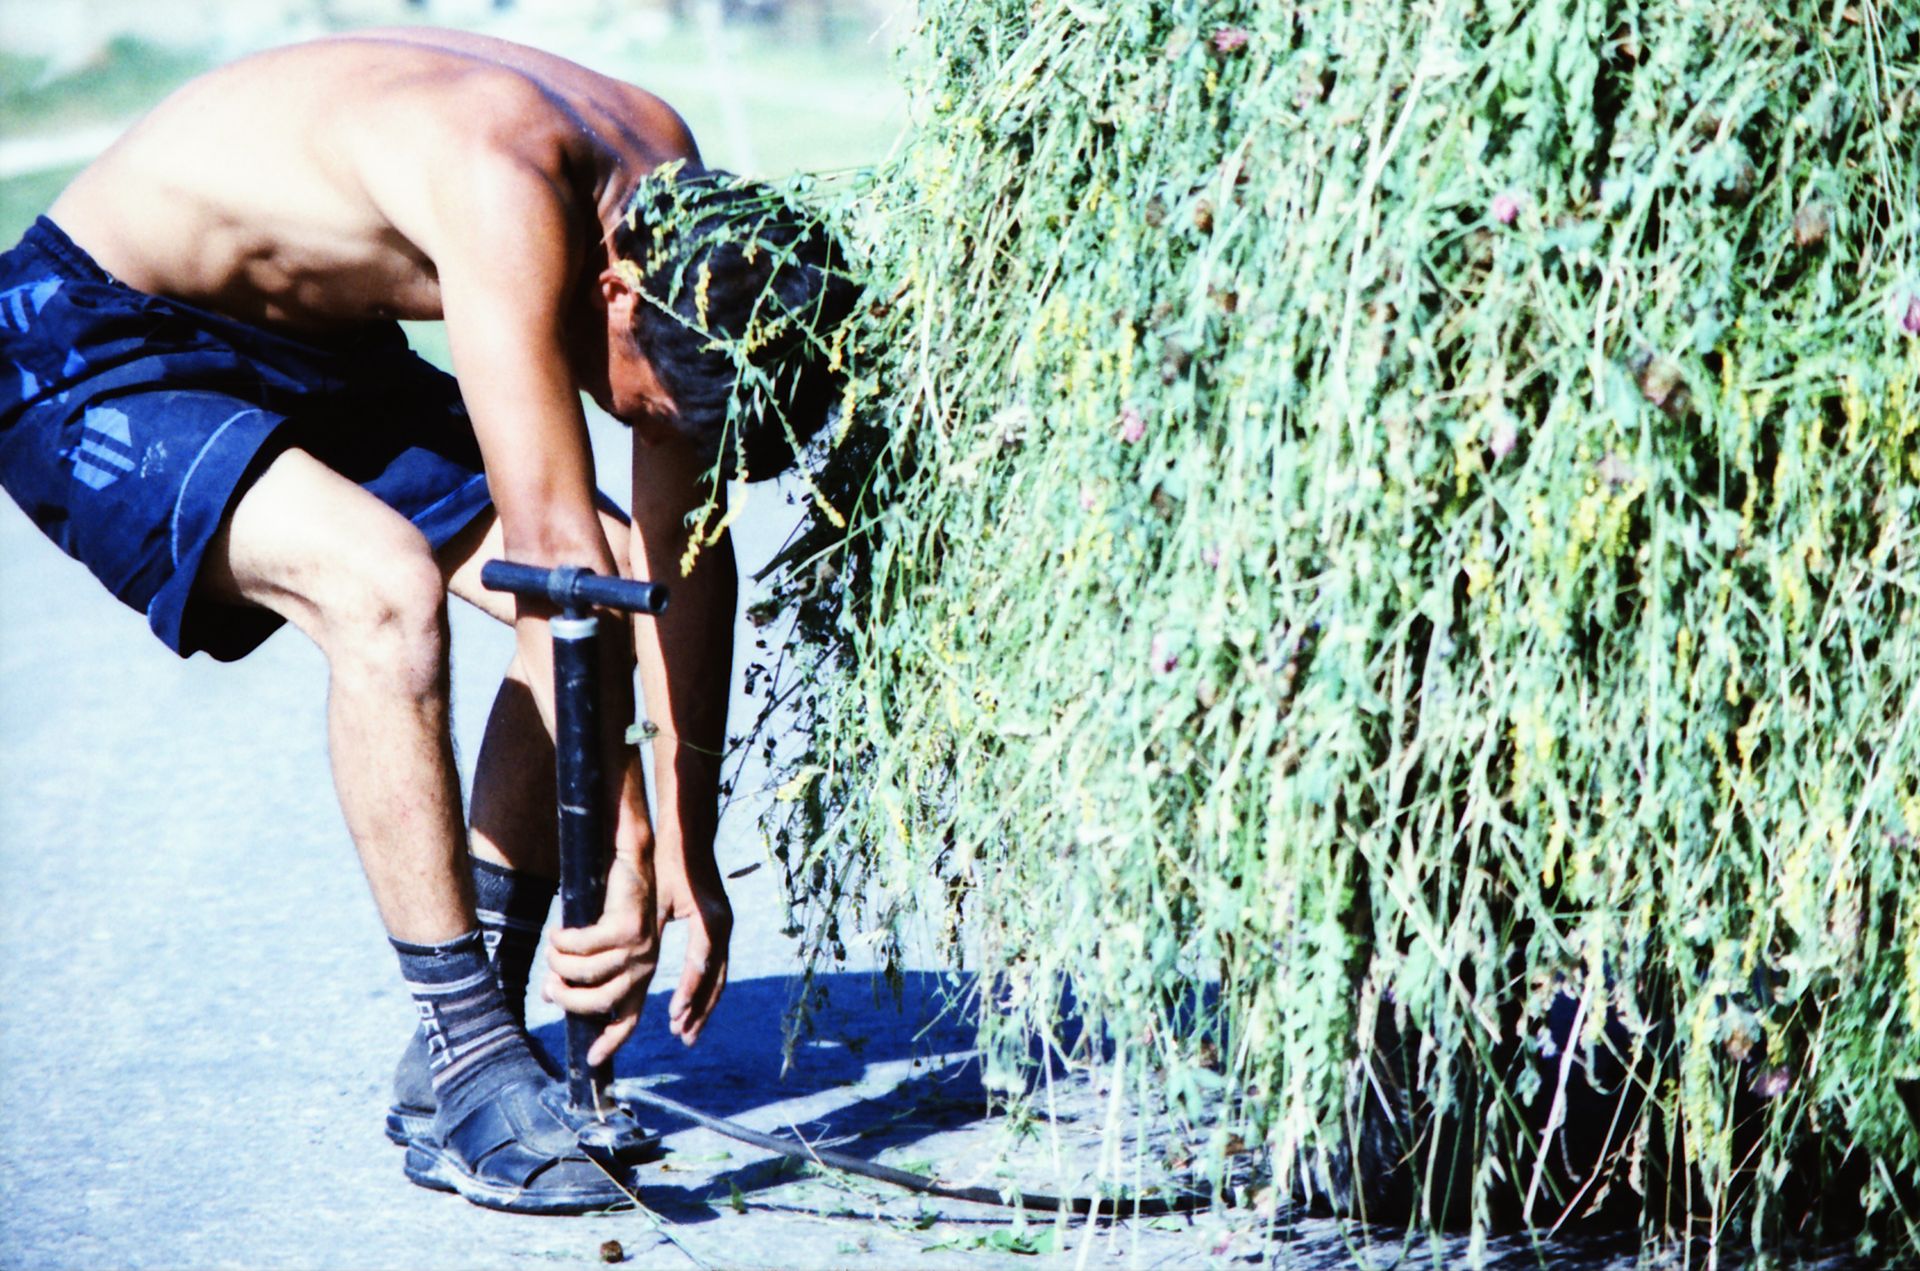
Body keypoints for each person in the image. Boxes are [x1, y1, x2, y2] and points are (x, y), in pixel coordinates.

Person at [0, 28, 856, 1214]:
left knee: (608, 563)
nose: (645, 428)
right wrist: (623, 850)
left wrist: (690, 859)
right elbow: (557, 573)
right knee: (383, 586)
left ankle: (466, 1047)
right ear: (616, 293)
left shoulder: (680, 213)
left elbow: (673, 553)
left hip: (314, 347)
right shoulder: (504, 188)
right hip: (90, 333)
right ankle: (471, 1058)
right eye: (648, 409)